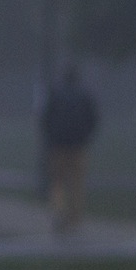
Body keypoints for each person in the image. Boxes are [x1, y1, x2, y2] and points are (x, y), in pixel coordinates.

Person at [40, 64, 101, 234]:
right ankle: (75, 218)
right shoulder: (85, 95)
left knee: (57, 181)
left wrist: (50, 138)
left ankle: (59, 211)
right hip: (79, 145)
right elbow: (93, 118)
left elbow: (46, 118)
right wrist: (87, 136)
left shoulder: (55, 94)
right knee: (77, 183)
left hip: (58, 145)